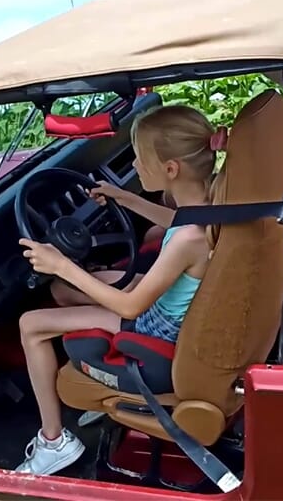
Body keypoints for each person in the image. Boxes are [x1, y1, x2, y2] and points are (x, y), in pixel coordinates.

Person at [14, 104, 228, 476]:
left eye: (140, 162)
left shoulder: (187, 241)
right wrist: (125, 197)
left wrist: (59, 263)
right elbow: (178, 223)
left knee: (30, 324)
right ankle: (97, 392)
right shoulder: (211, 205)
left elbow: (129, 308)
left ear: (170, 169)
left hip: (156, 327)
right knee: (66, 291)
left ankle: (54, 442)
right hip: (176, 307)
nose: (136, 169)